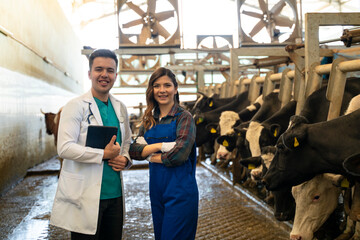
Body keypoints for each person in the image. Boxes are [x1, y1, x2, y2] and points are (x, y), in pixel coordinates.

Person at [50, 49, 132, 239]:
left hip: (115, 196)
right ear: (89, 74)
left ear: (116, 75)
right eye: (99, 69)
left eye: (110, 70)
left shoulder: (120, 107)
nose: (104, 75)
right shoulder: (75, 106)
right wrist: (103, 155)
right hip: (84, 195)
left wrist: (126, 159)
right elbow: (64, 148)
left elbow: (126, 142)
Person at [129, 67, 199, 240]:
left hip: (181, 192)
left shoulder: (184, 118)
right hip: (157, 192)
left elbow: (179, 155)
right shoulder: (149, 120)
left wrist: (149, 155)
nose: (162, 90)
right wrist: (161, 146)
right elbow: (134, 151)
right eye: (157, 86)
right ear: (152, 90)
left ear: (175, 89)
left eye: (167, 85)